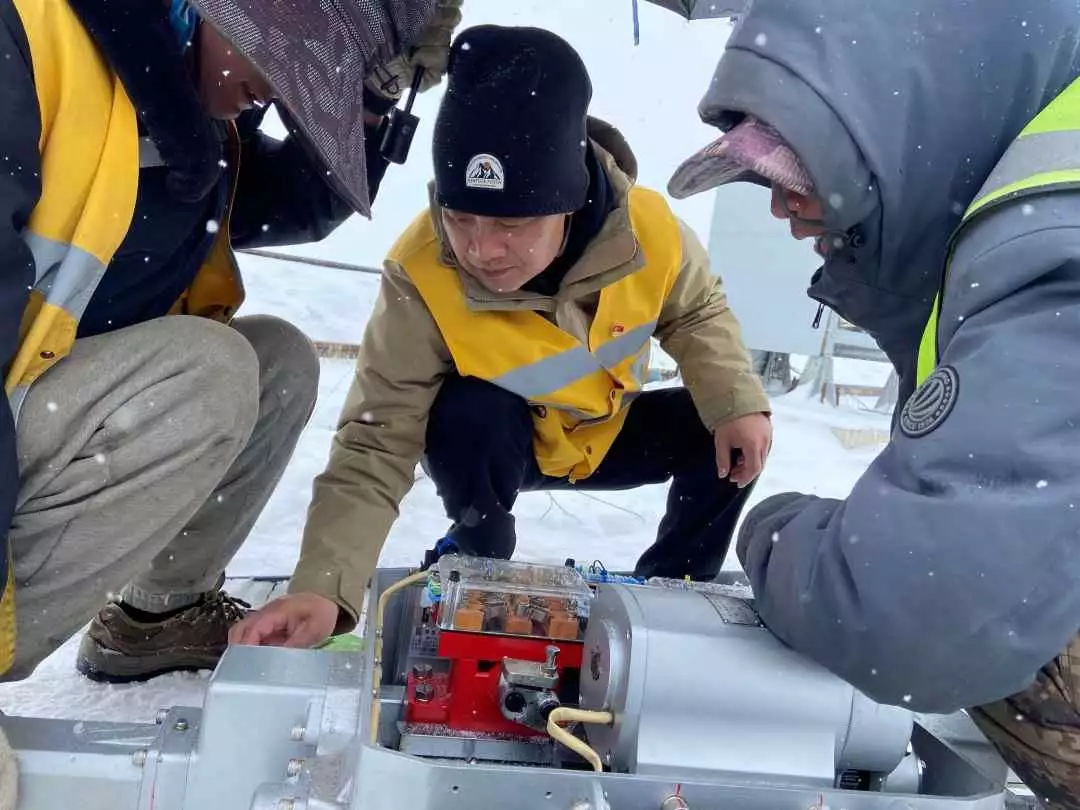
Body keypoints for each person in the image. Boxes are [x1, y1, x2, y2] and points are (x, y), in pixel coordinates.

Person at [230, 24, 773, 650]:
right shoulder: (422, 270)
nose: (481, 249)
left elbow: (698, 312)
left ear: (567, 203)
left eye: (511, 224)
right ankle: (477, 549)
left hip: (602, 435)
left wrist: (737, 401)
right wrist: (324, 586)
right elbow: (377, 441)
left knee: (724, 425)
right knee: (472, 406)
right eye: (460, 217)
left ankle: (676, 597)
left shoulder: (648, 230)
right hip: (497, 450)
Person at [665, 0, 1080, 805]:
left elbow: (928, 610)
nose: (786, 218)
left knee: (1011, 626)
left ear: (901, 113)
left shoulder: (1045, 239)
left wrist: (773, 531)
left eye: (793, 178)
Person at [0, 0, 461, 684]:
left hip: (42, 406)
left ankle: (153, 621)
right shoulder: (35, 43)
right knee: (210, 373)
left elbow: (298, 202)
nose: (282, 94)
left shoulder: (192, 100)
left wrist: (371, 98)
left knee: (278, 362)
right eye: (290, 62)